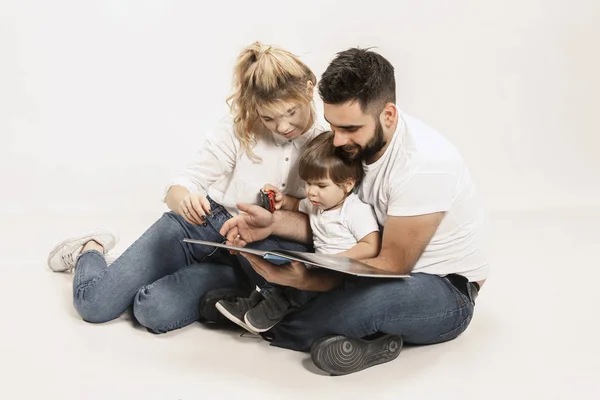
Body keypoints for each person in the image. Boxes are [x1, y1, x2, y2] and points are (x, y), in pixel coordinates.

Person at [218, 47, 489, 376]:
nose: (336, 140)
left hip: (441, 289)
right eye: (333, 125)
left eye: (350, 128)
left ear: (387, 115)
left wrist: (311, 281)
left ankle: (281, 323)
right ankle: (312, 321)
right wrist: (272, 223)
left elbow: (392, 266)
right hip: (366, 265)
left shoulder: (423, 165)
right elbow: (330, 224)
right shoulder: (351, 145)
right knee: (269, 249)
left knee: (370, 303)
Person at [46, 41, 326, 333]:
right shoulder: (240, 128)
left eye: (291, 112)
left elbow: (322, 221)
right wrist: (185, 201)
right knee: (95, 305)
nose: (282, 126)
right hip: (200, 225)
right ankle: (90, 248)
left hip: (246, 253)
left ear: (308, 89)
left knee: (153, 311)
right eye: (269, 117)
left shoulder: (327, 145)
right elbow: (181, 185)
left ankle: (144, 274)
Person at [215, 131, 381, 333]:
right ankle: (258, 301)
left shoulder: (355, 210)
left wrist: (338, 259)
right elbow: (295, 205)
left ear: (348, 184)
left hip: (345, 275)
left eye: (321, 185)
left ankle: (277, 305)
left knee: (301, 286)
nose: (311, 192)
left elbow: (371, 245)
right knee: (289, 269)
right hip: (320, 266)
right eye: (308, 183)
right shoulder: (316, 205)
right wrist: (281, 199)